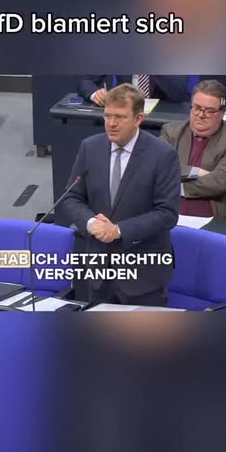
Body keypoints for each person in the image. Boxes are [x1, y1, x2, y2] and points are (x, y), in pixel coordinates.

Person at [60, 83, 181, 307]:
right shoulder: (90, 147)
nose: (111, 123)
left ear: (138, 118)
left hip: (143, 276)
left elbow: (167, 214)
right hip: (100, 272)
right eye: (107, 116)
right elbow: (71, 197)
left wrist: (118, 230)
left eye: (119, 117)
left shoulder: (163, 155)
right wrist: (90, 223)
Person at [161, 79, 226, 220]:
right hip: (167, 212)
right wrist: (195, 171)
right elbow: (158, 168)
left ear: (222, 112)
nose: (201, 115)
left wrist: (178, 188)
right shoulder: (171, 132)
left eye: (209, 111)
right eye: (196, 108)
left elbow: (220, 182)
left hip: (214, 217)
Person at [78, 74, 189, 105]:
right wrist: (95, 94)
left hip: (160, 122)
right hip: (125, 117)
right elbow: (86, 81)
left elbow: (178, 93)